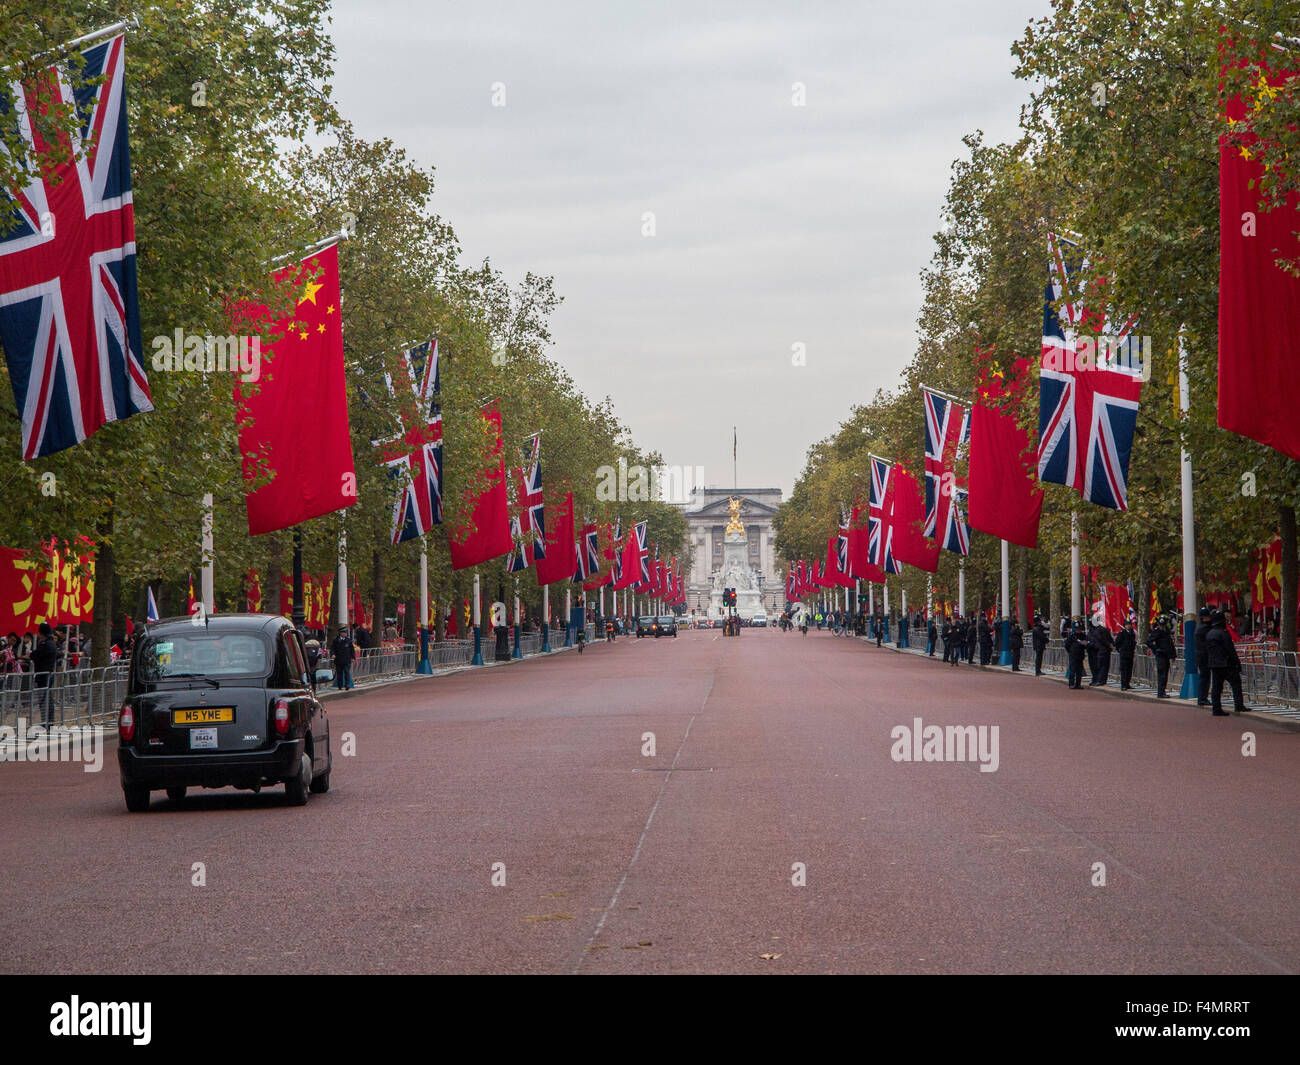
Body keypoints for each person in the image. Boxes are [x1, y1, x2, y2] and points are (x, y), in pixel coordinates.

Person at [1205, 609, 1247, 716]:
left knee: (1216, 687)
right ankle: (1238, 705)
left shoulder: (1209, 634)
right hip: (1226, 663)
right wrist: (1237, 662)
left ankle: (1216, 708)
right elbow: (1230, 649)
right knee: (1236, 684)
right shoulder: (1223, 634)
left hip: (1214, 664)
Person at [31, 621, 58, 726]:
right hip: (48, 674)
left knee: (44, 700)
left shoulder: (45, 645)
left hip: (43, 675)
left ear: (41, 633)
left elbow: (35, 655)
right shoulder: (51, 644)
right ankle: (48, 721)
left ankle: (47, 722)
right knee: (47, 698)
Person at [1146, 616, 1177, 698]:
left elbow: (1170, 644)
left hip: (1166, 656)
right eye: (1160, 625)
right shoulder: (1157, 631)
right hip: (1160, 656)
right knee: (1162, 674)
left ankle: (1163, 691)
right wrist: (1156, 649)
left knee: (1165, 674)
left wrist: (1173, 655)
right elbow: (1149, 642)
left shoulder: (1166, 632)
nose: (1162, 627)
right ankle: (1160, 692)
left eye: (1163, 625)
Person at [1194, 606, 1211, 707]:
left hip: (1201, 656)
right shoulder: (1204, 629)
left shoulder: (1200, 628)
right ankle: (1202, 698)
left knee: (1204, 677)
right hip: (1204, 656)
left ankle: (1203, 697)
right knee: (1205, 677)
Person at [1089, 622, 1114, 686]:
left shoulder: (1101, 630)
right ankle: (1097, 680)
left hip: (1102, 651)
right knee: (1097, 666)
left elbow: (1105, 640)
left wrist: (1109, 645)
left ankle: (1100, 680)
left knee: (1102, 666)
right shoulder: (1093, 630)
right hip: (1095, 651)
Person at [331, 626, 356, 690]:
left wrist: (353, 657)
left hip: (346, 659)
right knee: (339, 673)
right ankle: (340, 685)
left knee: (346, 672)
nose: (345, 634)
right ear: (340, 633)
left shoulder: (348, 640)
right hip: (338, 659)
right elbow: (332, 648)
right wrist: (333, 654)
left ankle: (347, 684)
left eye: (345, 632)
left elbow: (352, 650)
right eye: (343, 632)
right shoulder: (336, 640)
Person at [1064, 619, 1086, 689]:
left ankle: (1078, 684)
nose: (1078, 630)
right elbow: (1067, 645)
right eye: (1077, 629)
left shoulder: (1083, 635)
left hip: (1080, 654)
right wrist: (1070, 651)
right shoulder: (1071, 636)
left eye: (1079, 629)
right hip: (1073, 655)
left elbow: (1086, 643)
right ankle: (1071, 683)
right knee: (1072, 669)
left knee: (1079, 670)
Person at [1115, 619, 1137, 690]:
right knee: (1124, 670)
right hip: (1124, 653)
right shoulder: (1122, 633)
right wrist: (1120, 650)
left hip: (1130, 653)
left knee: (1129, 670)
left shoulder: (1132, 633)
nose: (1128, 626)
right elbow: (1117, 643)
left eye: (1129, 624)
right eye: (1127, 625)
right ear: (1125, 625)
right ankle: (1123, 685)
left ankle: (1127, 683)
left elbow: (1133, 642)